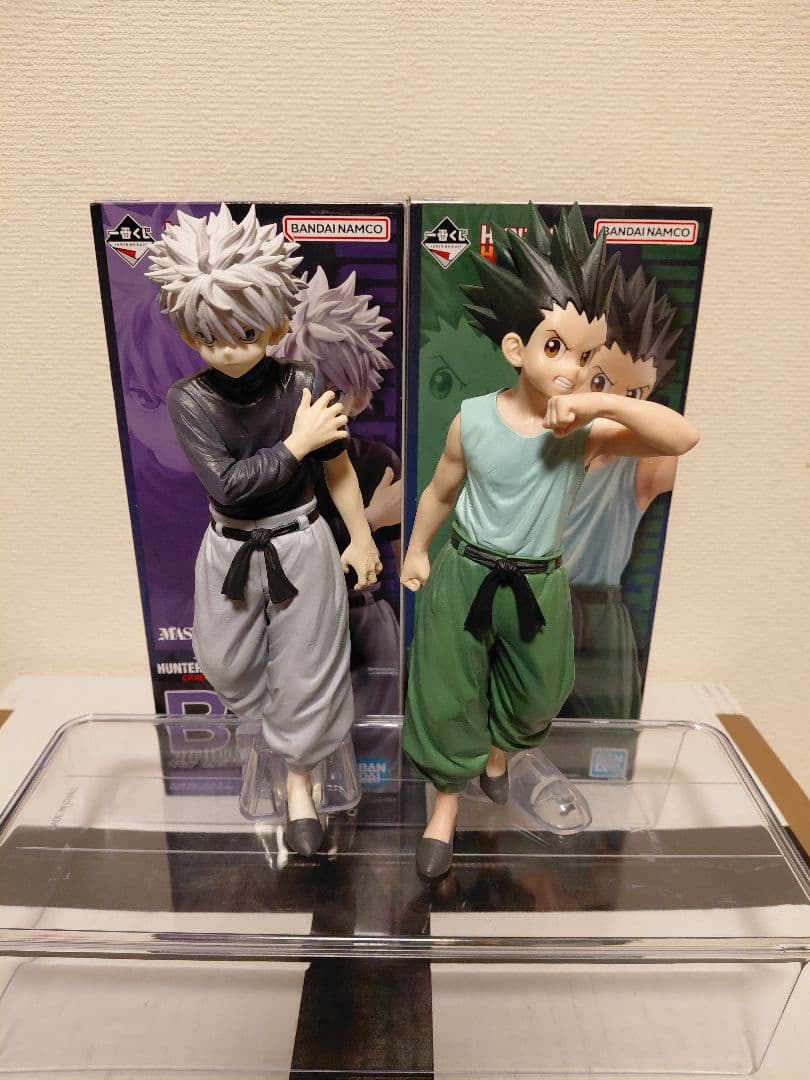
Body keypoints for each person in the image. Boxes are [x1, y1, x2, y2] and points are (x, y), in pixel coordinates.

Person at [401, 204, 699, 879]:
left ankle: (498, 757)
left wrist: (601, 402)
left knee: (539, 690)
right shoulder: (472, 421)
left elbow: (682, 438)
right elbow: (440, 492)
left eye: (587, 355)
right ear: (517, 350)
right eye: (557, 348)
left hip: (538, 582)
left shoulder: (584, 434)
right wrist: (417, 549)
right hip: (466, 573)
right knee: (448, 688)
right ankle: (444, 809)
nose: (572, 368)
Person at [147, 204, 381, 856]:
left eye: (245, 330)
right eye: (208, 333)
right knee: (225, 662)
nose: (227, 347)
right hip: (230, 548)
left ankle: (300, 783)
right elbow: (227, 485)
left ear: (277, 322)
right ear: (187, 330)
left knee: (308, 666)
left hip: (301, 540)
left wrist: (360, 537)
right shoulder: (189, 400)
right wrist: (295, 445)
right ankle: (276, 738)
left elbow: (336, 466)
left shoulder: (302, 380)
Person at [270, 266, 402, 718]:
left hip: (366, 614)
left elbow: (405, 562)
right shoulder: (276, 462)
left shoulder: (377, 459)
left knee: (379, 729)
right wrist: (371, 519)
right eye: (307, 388)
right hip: (299, 615)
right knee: (304, 723)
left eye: (340, 390)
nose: (324, 402)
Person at [561, 265, 683, 719]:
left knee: (607, 727)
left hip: (599, 611)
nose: (610, 402)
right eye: (600, 382)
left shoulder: (640, 468)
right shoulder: (542, 448)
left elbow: (683, 442)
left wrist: (618, 408)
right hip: (537, 603)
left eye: (634, 393)